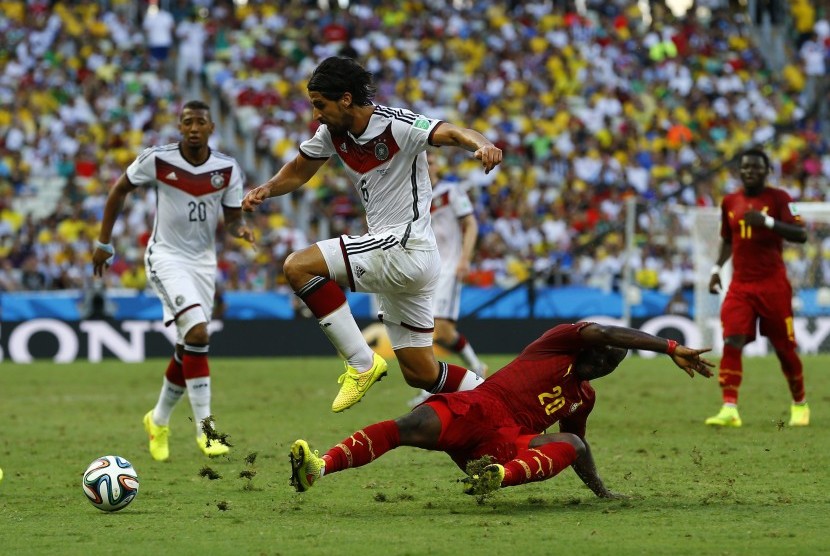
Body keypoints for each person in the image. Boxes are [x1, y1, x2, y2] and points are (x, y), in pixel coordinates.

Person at [242, 56, 503, 413]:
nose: (316, 114)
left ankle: (361, 362)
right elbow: (300, 168)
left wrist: (481, 145)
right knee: (421, 372)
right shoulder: (332, 133)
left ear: (346, 99)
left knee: (298, 266)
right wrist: (267, 189)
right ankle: (504, 402)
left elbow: (454, 132)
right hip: (402, 259)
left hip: (404, 246)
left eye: (320, 105)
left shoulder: (398, 125)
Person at [288, 322, 714, 496]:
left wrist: (600, 489)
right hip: (478, 407)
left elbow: (577, 444)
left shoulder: (584, 396)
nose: (602, 365)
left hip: (507, 443)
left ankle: (495, 477)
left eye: (610, 366)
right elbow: (604, 331)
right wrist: (669, 346)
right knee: (408, 424)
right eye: (602, 354)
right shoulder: (560, 340)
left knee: (571, 443)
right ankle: (319, 467)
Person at [93, 100, 254, 460]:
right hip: (165, 257)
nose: (194, 127)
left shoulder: (226, 169)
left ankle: (158, 419)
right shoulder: (159, 159)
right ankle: (206, 430)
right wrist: (103, 242)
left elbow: (230, 220)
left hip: (202, 264)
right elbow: (119, 189)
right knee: (198, 334)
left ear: (212, 128)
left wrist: (240, 229)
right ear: (179, 128)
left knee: (188, 346)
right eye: (187, 122)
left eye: (201, 122)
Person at [706, 148, 809, 428]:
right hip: (741, 285)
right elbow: (728, 239)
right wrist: (716, 269)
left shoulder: (781, 199)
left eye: (756, 167)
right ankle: (729, 407)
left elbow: (801, 234)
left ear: (767, 171)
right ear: (740, 171)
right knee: (731, 340)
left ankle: (799, 403)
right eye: (745, 167)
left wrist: (768, 221)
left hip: (773, 285)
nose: (750, 171)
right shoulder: (730, 201)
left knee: (784, 349)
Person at [409, 153, 486, 406]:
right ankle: (475, 367)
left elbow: (471, 224)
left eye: (431, 162)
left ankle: (431, 387)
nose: (428, 166)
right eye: (424, 162)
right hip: (425, 269)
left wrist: (465, 258)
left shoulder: (451, 191)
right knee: (441, 332)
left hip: (449, 266)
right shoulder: (415, 196)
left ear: (438, 165)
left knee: (437, 329)